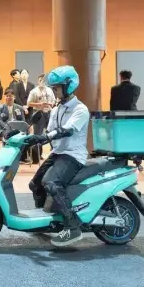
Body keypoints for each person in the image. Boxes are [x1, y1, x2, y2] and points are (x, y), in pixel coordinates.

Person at [27, 65, 90, 247]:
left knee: (52, 183)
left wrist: (46, 137)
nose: (54, 91)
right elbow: (50, 132)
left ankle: (73, 226)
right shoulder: (57, 108)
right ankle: (45, 221)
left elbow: (67, 130)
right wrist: (32, 139)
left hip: (73, 155)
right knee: (35, 184)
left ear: (69, 86)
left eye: (56, 88)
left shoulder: (80, 109)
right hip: (58, 153)